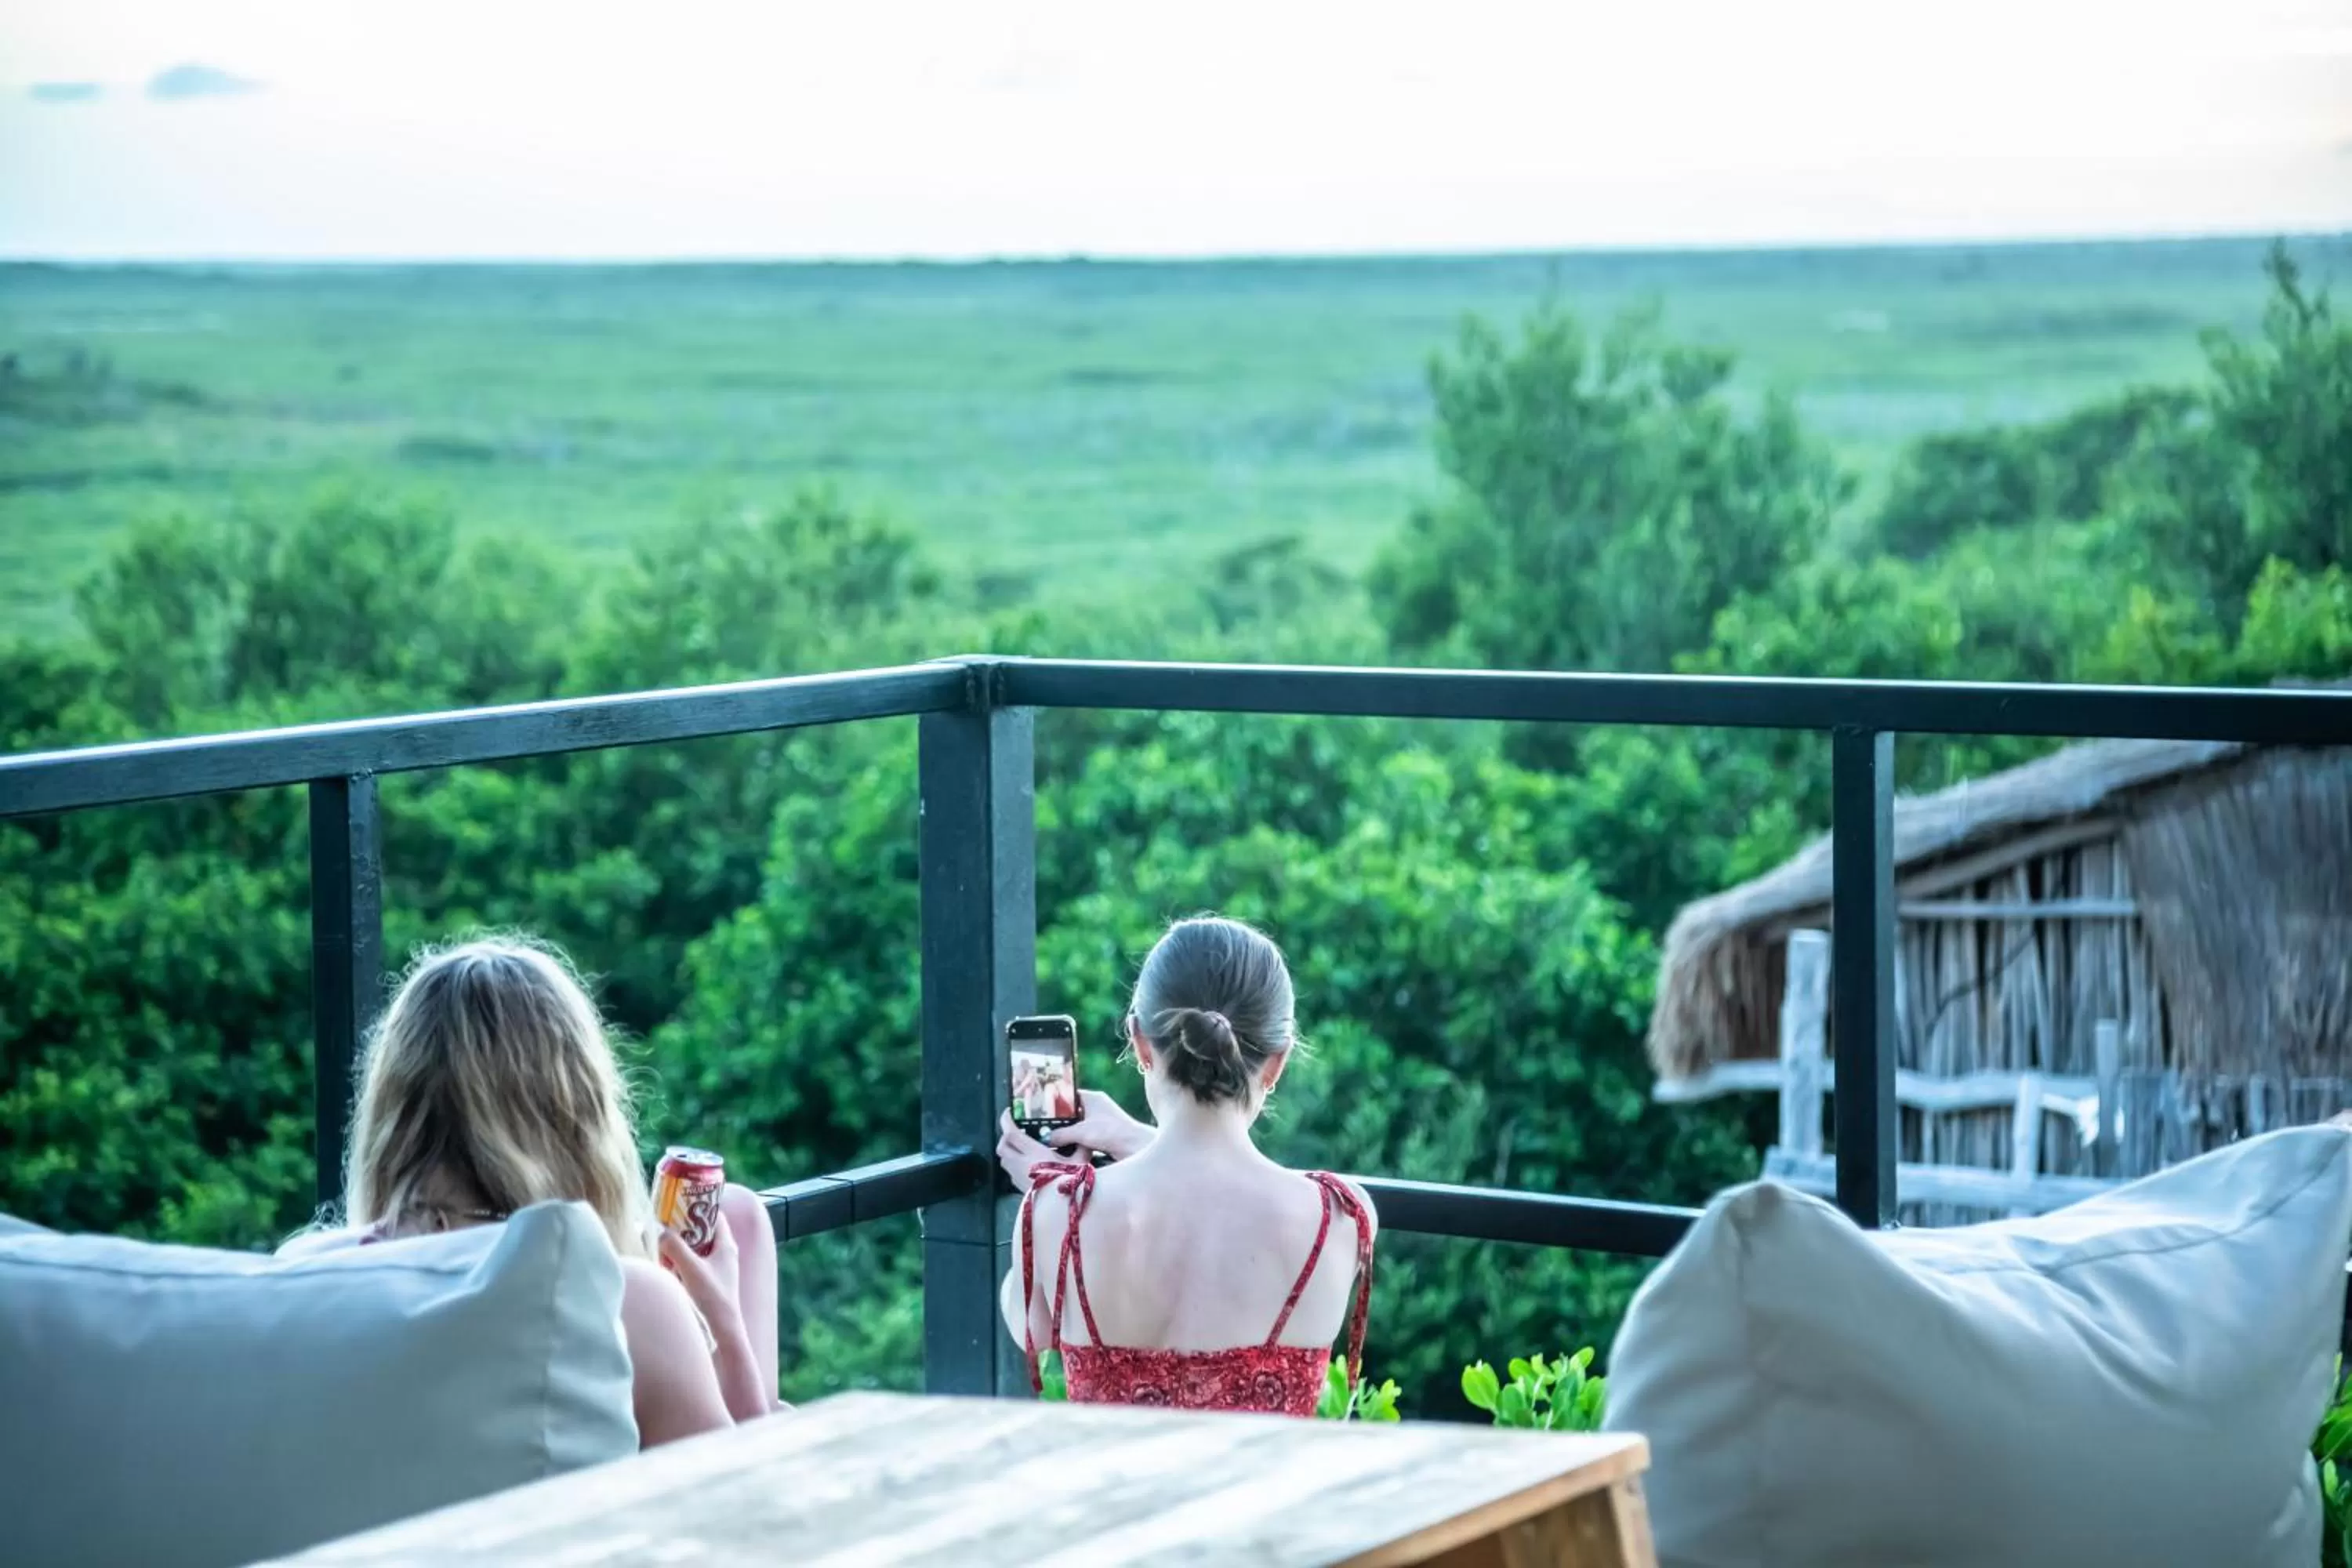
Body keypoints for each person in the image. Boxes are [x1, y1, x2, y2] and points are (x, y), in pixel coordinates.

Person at [285, 935, 783, 1446]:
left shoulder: (310, 1280)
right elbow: (745, 1509)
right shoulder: (622, 1304)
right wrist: (725, 1332)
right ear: (580, 1116)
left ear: (388, 1114)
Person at [996, 916, 1377, 1417]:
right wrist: (1131, 1141)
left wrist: (1052, 1190)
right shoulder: (1343, 1214)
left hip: (1121, 1497)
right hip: (1274, 1497)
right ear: (1278, 1062)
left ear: (1140, 1043)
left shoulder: (1057, 1211)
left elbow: (1035, 1329)